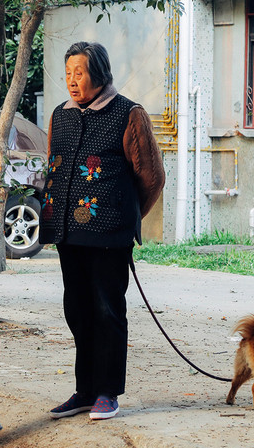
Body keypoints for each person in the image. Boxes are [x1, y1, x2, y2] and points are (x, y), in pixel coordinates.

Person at [40, 42, 165, 420]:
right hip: (67, 233)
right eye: (68, 74)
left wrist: (124, 217)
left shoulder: (130, 114)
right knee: (77, 310)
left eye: (80, 73)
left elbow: (152, 177)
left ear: (100, 72)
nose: (72, 82)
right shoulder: (59, 116)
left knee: (108, 311)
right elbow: (53, 164)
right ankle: (84, 390)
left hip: (110, 235)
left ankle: (108, 392)